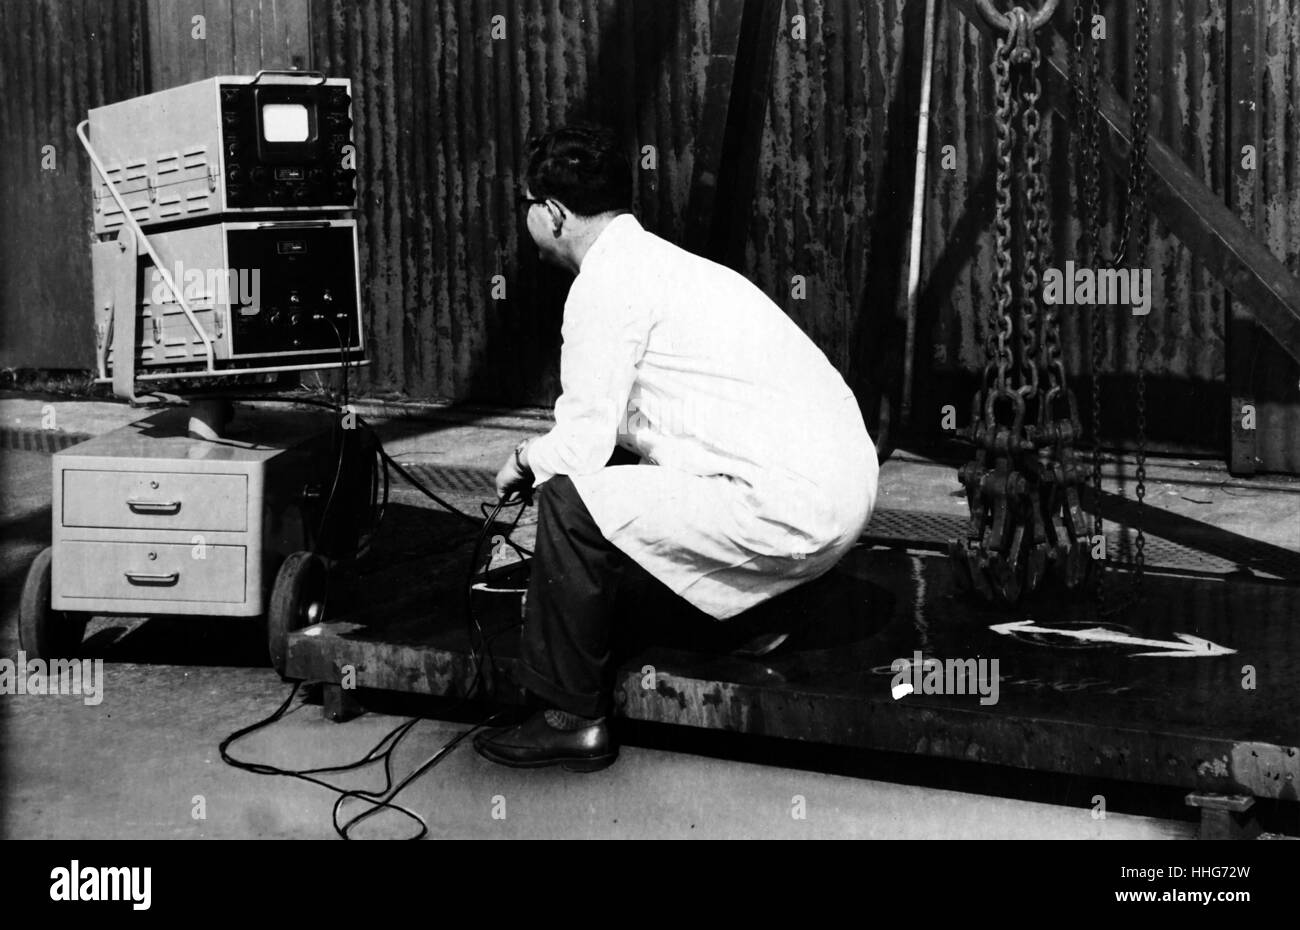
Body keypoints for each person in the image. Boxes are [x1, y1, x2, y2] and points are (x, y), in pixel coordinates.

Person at [474, 124, 878, 772]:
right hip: (845, 493)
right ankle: (756, 614)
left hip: (794, 509)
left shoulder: (602, 288)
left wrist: (523, 458)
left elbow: (577, 452)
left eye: (526, 203)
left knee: (573, 501)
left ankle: (569, 716)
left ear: (551, 213)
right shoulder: (663, 264)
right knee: (635, 480)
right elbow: (643, 432)